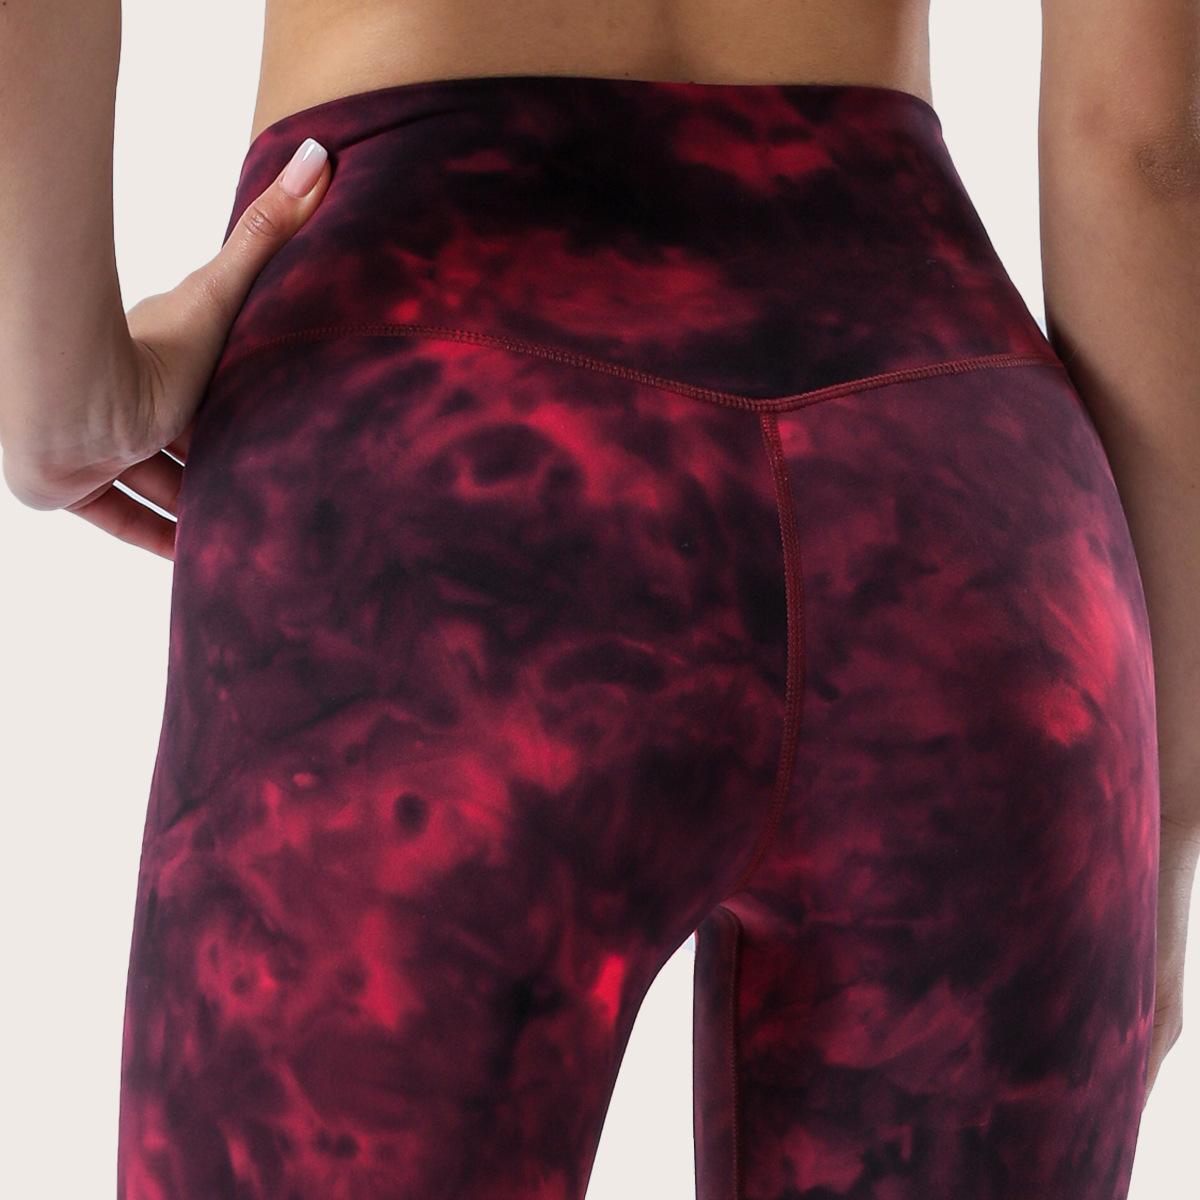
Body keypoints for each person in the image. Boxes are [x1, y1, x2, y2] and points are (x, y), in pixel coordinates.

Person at [1, 2, 1195, 1197]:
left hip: (426, 466)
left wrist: (58, 384)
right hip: (960, 512)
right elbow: (1147, 145)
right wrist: (1167, 807)